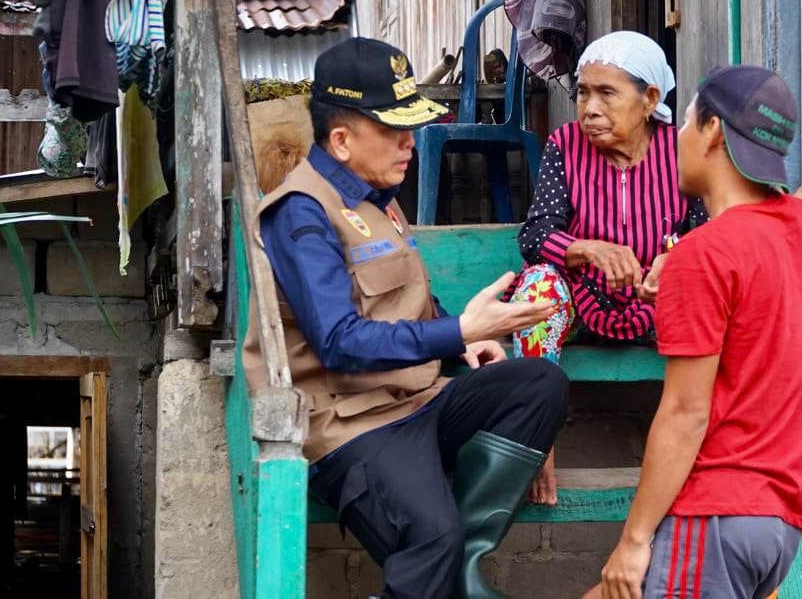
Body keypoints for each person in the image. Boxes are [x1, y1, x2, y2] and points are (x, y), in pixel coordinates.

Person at [241, 37, 570, 599]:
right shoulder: (301, 214)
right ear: (342, 140)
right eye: (394, 130)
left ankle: (462, 566)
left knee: (539, 384)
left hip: (418, 400)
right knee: (431, 537)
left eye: (410, 127)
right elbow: (339, 340)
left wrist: (462, 341)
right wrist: (461, 330)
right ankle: (445, 559)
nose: (409, 143)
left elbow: (403, 299)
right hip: (350, 423)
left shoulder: (378, 196)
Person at [587, 65, 802, 599]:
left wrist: (634, 539)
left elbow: (685, 414)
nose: (677, 137)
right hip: (777, 524)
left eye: (687, 121)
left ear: (713, 131)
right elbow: (754, 308)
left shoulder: (704, 254)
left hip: (715, 513)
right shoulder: (801, 228)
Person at [510, 31, 706, 505]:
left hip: (656, 305)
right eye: (583, 93)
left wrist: (676, 259)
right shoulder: (564, 145)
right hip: (582, 299)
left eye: (606, 94)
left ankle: (708, 457)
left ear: (650, 99)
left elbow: (709, 234)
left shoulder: (682, 151)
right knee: (537, 289)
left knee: (718, 301)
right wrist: (586, 250)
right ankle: (537, 441)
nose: (590, 109)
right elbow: (536, 235)